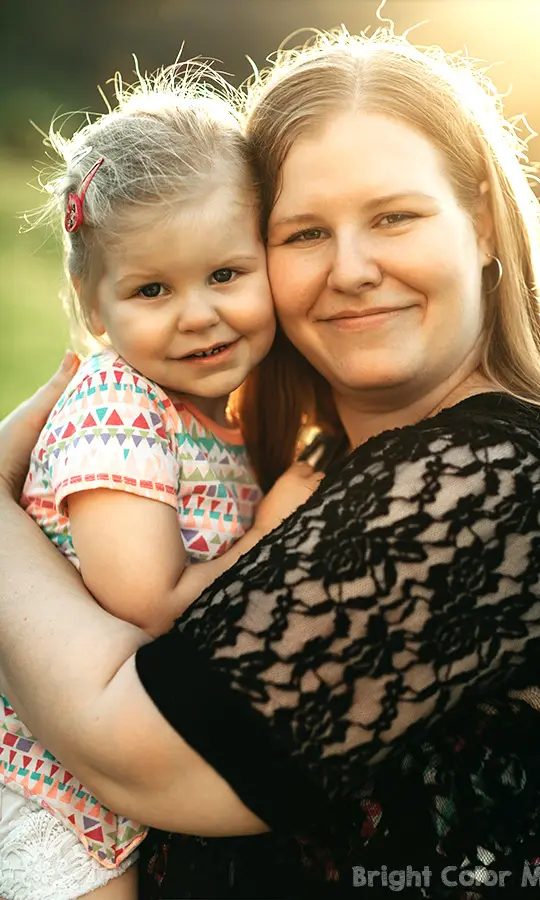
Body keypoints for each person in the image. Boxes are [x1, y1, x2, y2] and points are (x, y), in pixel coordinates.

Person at [1, 25, 540, 900]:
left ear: (480, 226)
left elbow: (132, 752)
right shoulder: (316, 463)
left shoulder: (498, 482)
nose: (352, 269)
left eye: (395, 216)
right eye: (306, 232)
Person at [0, 66, 321, 900]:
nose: (197, 314)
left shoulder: (224, 415)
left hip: (106, 776)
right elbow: (144, 606)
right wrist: (267, 535)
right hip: (39, 789)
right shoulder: (119, 407)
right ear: (93, 305)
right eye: (152, 289)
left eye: (225, 274)